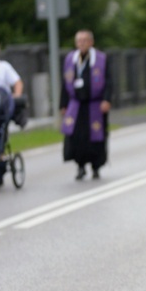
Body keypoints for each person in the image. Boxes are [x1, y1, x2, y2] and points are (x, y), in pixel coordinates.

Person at [60, 30, 112, 181]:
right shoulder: (71, 59)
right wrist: (63, 104)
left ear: (91, 42)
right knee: (77, 137)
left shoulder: (101, 59)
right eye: (79, 41)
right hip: (76, 106)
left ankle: (96, 167)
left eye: (85, 40)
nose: (82, 43)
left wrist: (107, 100)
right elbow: (65, 83)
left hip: (95, 105)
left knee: (95, 137)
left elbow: (108, 82)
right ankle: (80, 166)